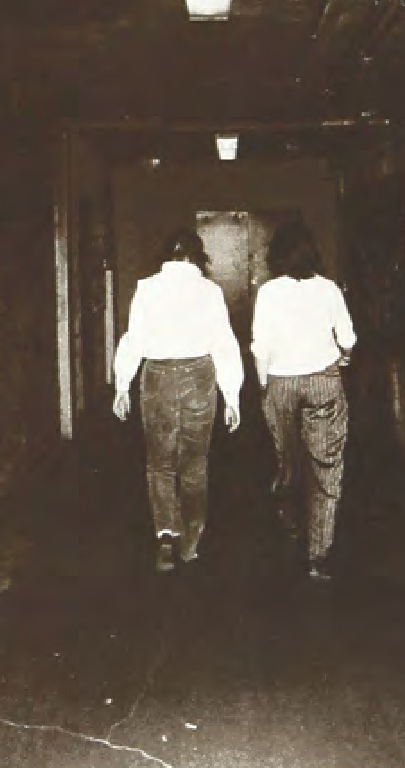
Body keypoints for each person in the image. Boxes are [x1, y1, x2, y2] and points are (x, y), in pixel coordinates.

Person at [113, 229, 243, 573]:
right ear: (196, 257)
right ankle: (191, 541)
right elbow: (224, 343)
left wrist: (122, 385)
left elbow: (133, 339)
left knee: (159, 462)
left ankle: (165, 536)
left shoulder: (146, 288)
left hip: (156, 376)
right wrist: (232, 396)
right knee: (195, 463)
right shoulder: (210, 292)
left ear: (164, 257)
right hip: (200, 376)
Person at [251, 221, 356, 581]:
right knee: (326, 466)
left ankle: (290, 517)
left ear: (276, 256)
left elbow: (260, 347)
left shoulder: (267, 293)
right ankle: (318, 556)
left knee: (287, 458)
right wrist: (342, 356)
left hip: (280, 382)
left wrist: (264, 386)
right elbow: (349, 339)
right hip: (323, 382)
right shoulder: (329, 290)